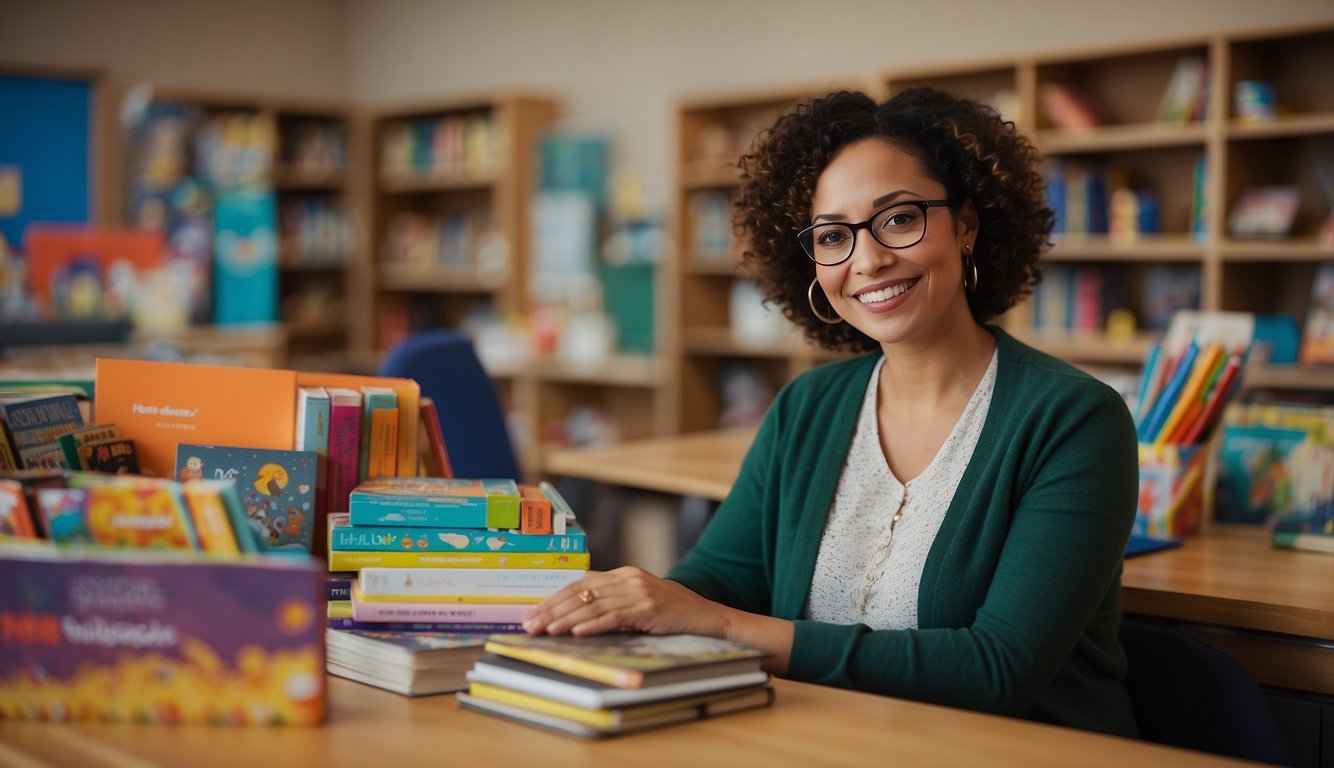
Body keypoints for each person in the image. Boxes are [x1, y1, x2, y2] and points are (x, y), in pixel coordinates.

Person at [522, 87, 1139, 737]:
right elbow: (715, 585)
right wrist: (627, 604)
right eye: (834, 235)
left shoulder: (1074, 420)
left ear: (966, 225)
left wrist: (731, 630)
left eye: (899, 218)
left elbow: (996, 671)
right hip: (824, 742)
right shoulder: (807, 408)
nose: (868, 260)